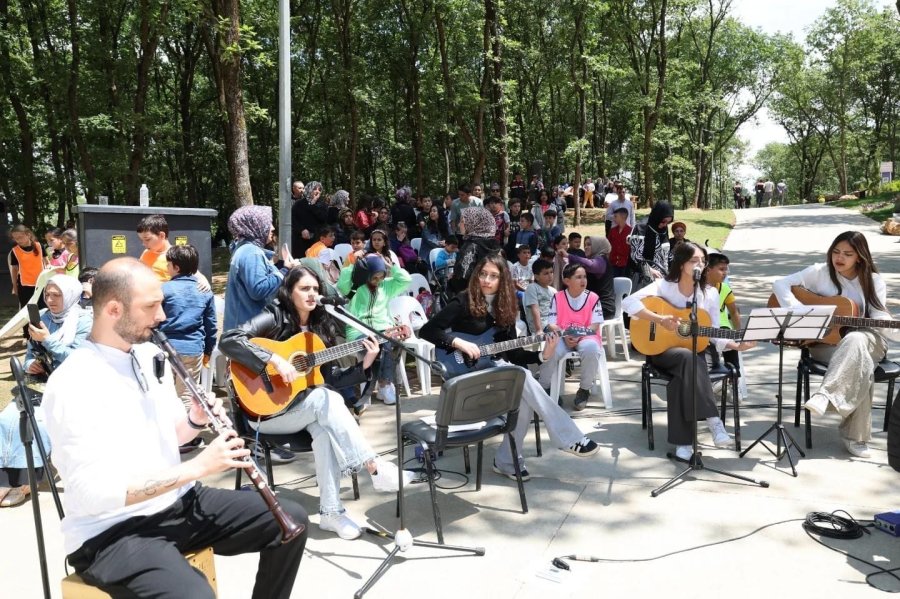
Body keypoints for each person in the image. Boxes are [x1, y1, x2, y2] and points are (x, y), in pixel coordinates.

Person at [43, 258, 308, 598]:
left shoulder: (148, 355)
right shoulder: (75, 381)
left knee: (291, 522)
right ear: (113, 310)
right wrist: (198, 467)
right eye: (151, 306)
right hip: (112, 531)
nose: (162, 316)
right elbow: (91, 494)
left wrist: (196, 418)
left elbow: (173, 434)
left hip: (175, 503)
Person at [220, 266, 413, 539]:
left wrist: (366, 363)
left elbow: (331, 378)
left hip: (305, 409)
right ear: (290, 291)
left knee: (324, 423)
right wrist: (274, 360)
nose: (312, 294)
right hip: (265, 413)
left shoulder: (321, 327)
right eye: (304, 289)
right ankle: (375, 467)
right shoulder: (274, 315)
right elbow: (229, 339)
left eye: (315, 289)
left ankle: (331, 513)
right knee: (325, 399)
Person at [419, 255, 599, 481]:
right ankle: (567, 436)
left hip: (492, 370)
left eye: (493, 276)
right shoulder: (463, 301)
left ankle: (506, 461)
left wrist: (543, 355)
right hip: (465, 375)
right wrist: (459, 342)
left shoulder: (506, 307)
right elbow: (427, 331)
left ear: (502, 279)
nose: (486, 280)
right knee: (520, 376)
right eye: (483, 274)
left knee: (521, 393)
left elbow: (513, 353)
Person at [622, 242, 755, 460]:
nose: (699, 265)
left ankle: (683, 444)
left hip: (692, 354)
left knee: (685, 370)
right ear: (682, 263)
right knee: (688, 358)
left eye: (702, 261)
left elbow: (711, 331)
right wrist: (659, 319)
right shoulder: (663, 286)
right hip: (661, 349)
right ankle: (714, 421)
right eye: (694, 260)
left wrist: (736, 344)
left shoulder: (709, 293)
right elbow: (628, 303)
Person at [773, 231, 898, 458]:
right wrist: (798, 310)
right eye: (836, 252)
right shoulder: (819, 273)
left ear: (860, 257)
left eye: (847, 254)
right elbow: (780, 284)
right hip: (827, 344)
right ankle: (855, 437)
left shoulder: (873, 280)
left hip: (870, 338)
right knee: (862, 364)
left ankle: (825, 395)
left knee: (856, 339)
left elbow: (880, 317)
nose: (839, 258)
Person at [0, 275, 92, 508]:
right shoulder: (41, 317)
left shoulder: (85, 321)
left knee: (39, 421)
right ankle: (6, 478)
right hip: (40, 381)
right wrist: (31, 363)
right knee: (8, 418)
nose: (50, 300)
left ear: (70, 295)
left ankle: (24, 481)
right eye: (47, 294)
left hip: (73, 384)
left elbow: (80, 358)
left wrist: (49, 340)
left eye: (56, 295)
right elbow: (32, 351)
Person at [160, 245, 217, 452]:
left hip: (164, 348)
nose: (166, 267)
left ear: (175, 266)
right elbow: (211, 325)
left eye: (168, 263)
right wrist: (209, 350)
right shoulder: (204, 291)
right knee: (186, 393)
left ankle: (166, 434)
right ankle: (186, 437)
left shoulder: (163, 290)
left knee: (163, 391)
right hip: (193, 349)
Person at [337, 253, 411, 406]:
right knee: (373, 345)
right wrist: (356, 265)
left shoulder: (387, 286)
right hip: (358, 330)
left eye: (381, 277)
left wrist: (391, 267)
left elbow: (406, 279)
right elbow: (342, 283)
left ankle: (385, 384)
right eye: (374, 277)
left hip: (383, 328)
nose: (378, 281)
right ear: (366, 274)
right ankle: (371, 386)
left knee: (391, 342)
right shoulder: (355, 286)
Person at [538, 263, 607, 411]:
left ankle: (584, 389)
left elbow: (595, 325)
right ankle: (544, 388)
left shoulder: (593, 297)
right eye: (578, 277)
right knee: (552, 347)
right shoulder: (557, 297)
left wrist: (578, 335)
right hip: (563, 335)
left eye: (585, 277)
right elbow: (552, 324)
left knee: (591, 349)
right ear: (567, 281)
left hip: (587, 335)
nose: (583, 280)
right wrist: (565, 335)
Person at [224, 205, 294, 333]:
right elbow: (258, 290)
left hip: (242, 329)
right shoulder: (251, 253)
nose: (272, 228)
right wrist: (285, 270)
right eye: (267, 223)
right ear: (255, 226)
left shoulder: (243, 249)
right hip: (247, 332)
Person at [558, 236, 616, 320]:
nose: (585, 247)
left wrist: (568, 256)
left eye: (589, 244)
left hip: (603, 308)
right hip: (591, 305)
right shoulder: (592, 260)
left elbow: (592, 265)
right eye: (585, 245)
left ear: (598, 246)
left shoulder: (602, 260)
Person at [448, 207, 500, 295]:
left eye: (462, 221)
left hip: (471, 298)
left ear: (473, 223)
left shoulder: (470, 247)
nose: (458, 225)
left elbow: (462, 279)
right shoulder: (495, 244)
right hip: (492, 294)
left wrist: (451, 281)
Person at [630, 200, 674, 286]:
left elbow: (665, 252)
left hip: (662, 277)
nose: (665, 225)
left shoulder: (663, 229)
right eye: (663, 221)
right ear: (658, 216)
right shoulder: (641, 227)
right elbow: (635, 255)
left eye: (668, 222)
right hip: (644, 277)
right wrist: (650, 270)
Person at [8, 224, 44, 311]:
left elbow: (47, 263)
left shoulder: (39, 246)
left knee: (43, 309)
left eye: (20, 237)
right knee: (29, 311)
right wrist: (14, 286)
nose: (18, 240)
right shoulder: (15, 251)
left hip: (41, 284)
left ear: (28, 234)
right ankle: (29, 325)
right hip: (24, 287)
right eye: (15, 238)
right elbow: (14, 270)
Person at [292, 180, 327, 258]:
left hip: (316, 239)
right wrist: (301, 230)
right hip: (300, 240)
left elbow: (323, 218)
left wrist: (313, 204)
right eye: (315, 189)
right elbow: (293, 219)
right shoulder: (299, 204)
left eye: (319, 190)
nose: (317, 191)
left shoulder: (322, 204)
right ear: (309, 189)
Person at [136, 214, 174, 280]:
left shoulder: (177, 255)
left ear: (162, 235)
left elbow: (194, 275)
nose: (143, 244)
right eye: (142, 240)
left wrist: (199, 278)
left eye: (147, 239)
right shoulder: (146, 253)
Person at [524, 259, 556, 335]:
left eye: (551, 272)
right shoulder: (532, 288)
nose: (550, 275)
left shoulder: (553, 291)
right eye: (546, 273)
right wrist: (539, 330)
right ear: (537, 277)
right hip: (543, 325)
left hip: (554, 322)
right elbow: (535, 309)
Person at [608, 207, 632, 279]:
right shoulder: (612, 231)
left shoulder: (631, 231)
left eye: (616, 216)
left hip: (625, 264)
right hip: (613, 263)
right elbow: (608, 245)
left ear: (623, 217)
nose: (614, 218)